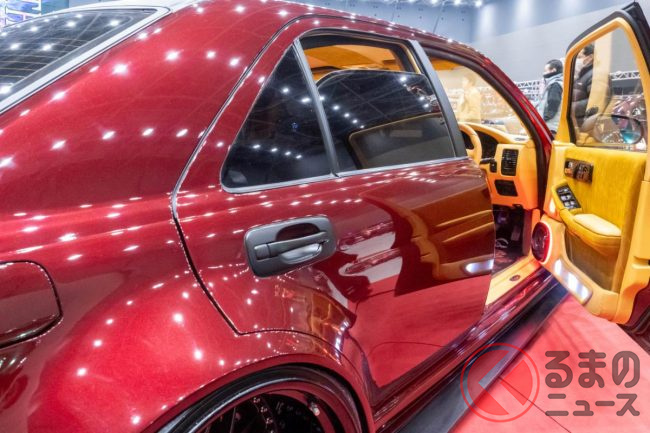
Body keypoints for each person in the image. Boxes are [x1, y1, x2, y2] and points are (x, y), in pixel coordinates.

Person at [536, 59, 563, 134]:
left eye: (545, 71)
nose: (543, 73)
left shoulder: (555, 85)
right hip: (552, 124)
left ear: (553, 70)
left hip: (551, 126)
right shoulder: (556, 83)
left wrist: (543, 119)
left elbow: (553, 104)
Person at [573, 44, 595, 127]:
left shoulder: (595, 75)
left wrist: (568, 107)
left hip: (587, 126)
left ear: (590, 57)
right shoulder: (581, 75)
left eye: (579, 57)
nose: (576, 61)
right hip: (578, 124)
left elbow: (594, 103)